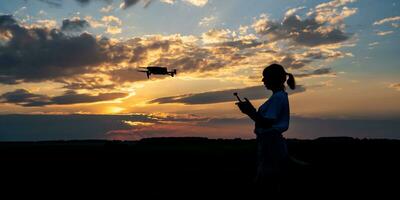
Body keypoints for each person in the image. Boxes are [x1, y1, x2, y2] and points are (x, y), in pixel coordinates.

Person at [235, 63, 296, 192]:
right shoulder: (278, 97)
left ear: (273, 79)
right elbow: (265, 121)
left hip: (271, 143)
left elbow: (267, 123)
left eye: (265, 77)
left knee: (268, 180)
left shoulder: (277, 98)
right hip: (270, 141)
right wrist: (251, 111)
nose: (262, 80)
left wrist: (250, 111)